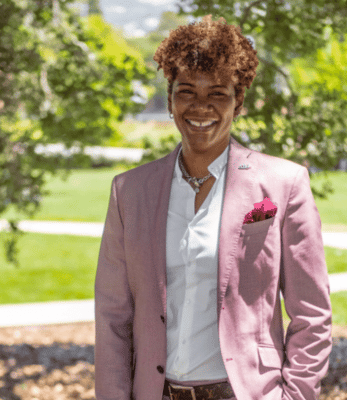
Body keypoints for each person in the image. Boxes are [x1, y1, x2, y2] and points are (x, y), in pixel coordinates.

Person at [94, 14, 332, 400]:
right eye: (186, 91)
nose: (200, 107)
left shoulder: (284, 184)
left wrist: (297, 396)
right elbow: (112, 318)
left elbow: (312, 314)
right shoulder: (129, 191)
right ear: (170, 99)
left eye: (218, 93)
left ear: (238, 103)